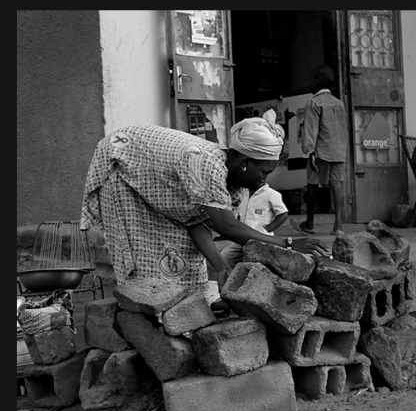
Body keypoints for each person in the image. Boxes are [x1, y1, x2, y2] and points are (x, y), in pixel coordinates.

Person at [80, 110, 332, 298]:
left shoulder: (230, 181)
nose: (264, 180)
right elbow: (227, 227)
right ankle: (144, 315)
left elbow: (194, 219)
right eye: (263, 171)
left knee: (184, 254)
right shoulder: (204, 163)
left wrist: (221, 267)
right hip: (121, 170)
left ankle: (183, 312)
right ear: (245, 161)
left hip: (154, 180)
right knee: (144, 253)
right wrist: (288, 243)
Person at [291, 65, 348, 236]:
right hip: (338, 151)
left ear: (316, 81)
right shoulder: (339, 103)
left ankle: (309, 223)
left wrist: (309, 152)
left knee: (312, 185)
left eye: (310, 80)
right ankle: (338, 226)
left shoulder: (314, 103)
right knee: (337, 185)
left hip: (319, 152)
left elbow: (310, 131)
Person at [220, 182, 289, 269]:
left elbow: (283, 214)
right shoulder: (243, 193)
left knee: (257, 266)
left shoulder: (271, 194)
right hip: (242, 239)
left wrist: (268, 228)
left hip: (262, 241)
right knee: (225, 257)